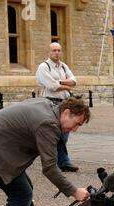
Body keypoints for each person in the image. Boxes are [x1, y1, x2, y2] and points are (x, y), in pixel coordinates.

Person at [36, 42, 79, 172]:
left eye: (59, 50)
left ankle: (63, 162)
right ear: (48, 52)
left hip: (64, 103)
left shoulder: (64, 67)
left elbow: (74, 81)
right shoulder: (44, 67)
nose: (57, 53)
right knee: (51, 133)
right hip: (50, 102)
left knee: (64, 133)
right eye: (54, 50)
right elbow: (51, 86)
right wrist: (66, 85)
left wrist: (59, 82)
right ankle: (53, 162)